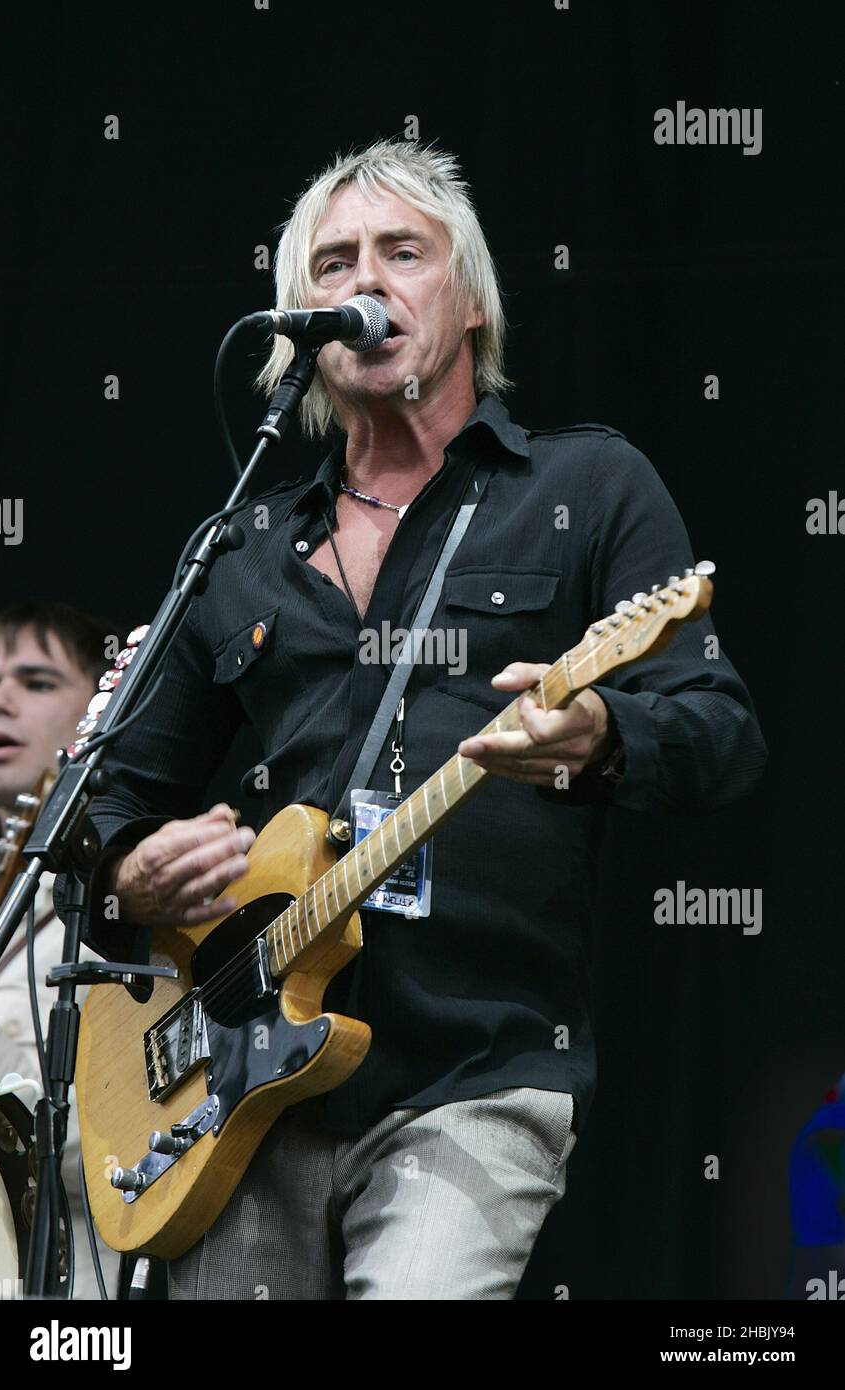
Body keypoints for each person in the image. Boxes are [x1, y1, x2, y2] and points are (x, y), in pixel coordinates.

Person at [66, 138, 767, 1300]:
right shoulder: (238, 550)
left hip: (473, 1066)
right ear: (301, 326)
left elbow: (722, 730)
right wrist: (130, 873)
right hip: (236, 1085)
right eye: (333, 262)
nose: (366, 280)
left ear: (474, 302)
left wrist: (600, 734)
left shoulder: (582, 491)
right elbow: (102, 805)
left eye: (404, 252)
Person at [0, 601, 122, 1299]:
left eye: (36, 684)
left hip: (67, 1291)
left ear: (102, 711)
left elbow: (120, 1145)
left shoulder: (126, 899)